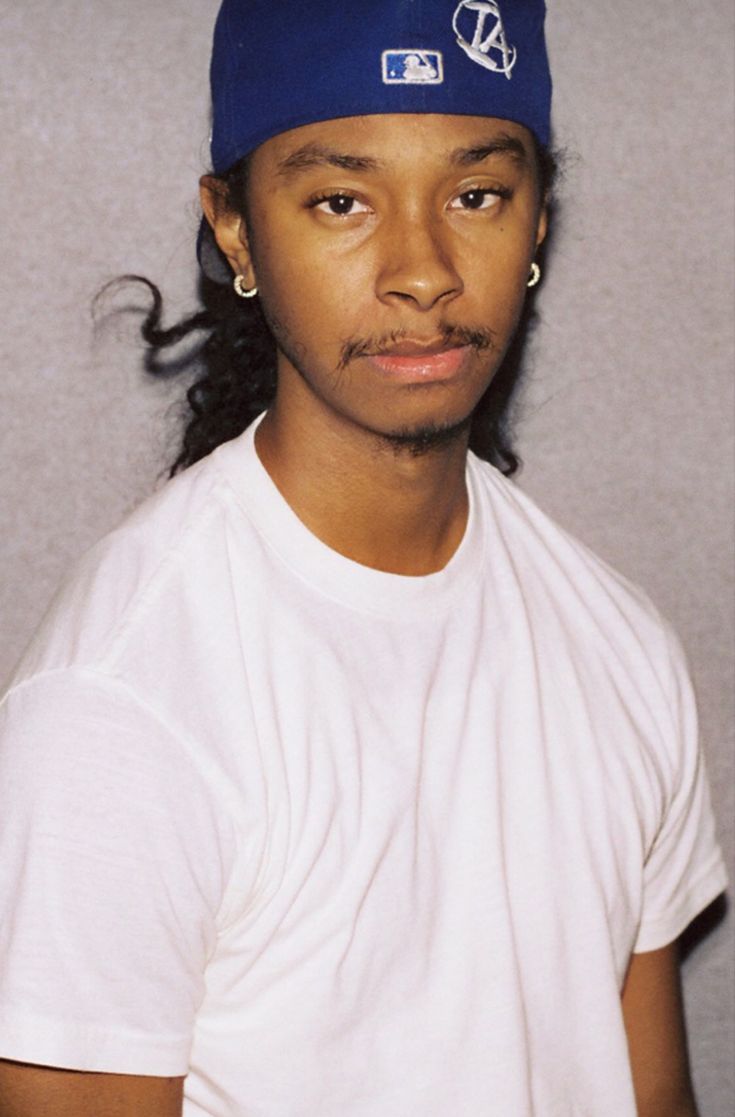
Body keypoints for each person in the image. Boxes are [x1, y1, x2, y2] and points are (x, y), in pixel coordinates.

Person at [0, 1, 727, 1115]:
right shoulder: (121, 705)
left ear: (538, 217)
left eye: (476, 192)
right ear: (236, 227)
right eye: (341, 199)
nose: (423, 269)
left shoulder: (618, 643)